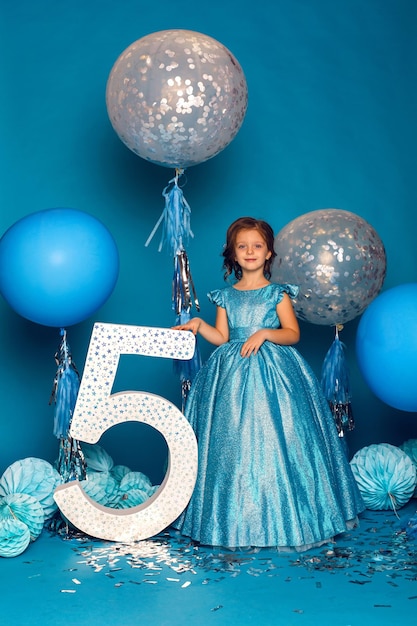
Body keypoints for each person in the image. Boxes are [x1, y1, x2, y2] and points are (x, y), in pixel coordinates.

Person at [173, 216, 364, 551]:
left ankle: (287, 517)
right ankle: (232, 520)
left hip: (274, 372)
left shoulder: (277, 293)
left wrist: (264, 333)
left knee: (280, 437)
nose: (250, 251)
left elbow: (292, 333)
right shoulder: (225, 296)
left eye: (257, 246)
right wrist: (198, 326)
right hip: (230, 375)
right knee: (231, 441)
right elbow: (222, 337)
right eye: (242, 246)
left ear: (269, 252)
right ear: (232, 254)